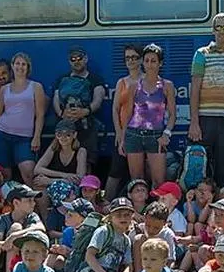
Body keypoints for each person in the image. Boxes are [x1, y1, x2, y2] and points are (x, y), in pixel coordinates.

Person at [188, 13, 224, 186]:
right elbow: (195, 90)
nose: (222, 31)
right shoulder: (201, 54)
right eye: (218, 27)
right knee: (200, 169)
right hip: (204, 119)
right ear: (213, 30)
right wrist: (194, 123)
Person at [119, 43, 177, 185]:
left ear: (160, 63)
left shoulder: (167, 85)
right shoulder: (134, 86)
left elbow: (173, 115)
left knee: (159, 182)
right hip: (134, 134)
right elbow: (128, 114)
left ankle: (159, 208)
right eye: (146, 61)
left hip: (156, 136)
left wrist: (166, 134)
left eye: (153, 61)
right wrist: (122, 138)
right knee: (137, 181)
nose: (149, 65)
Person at [0, 52, 46, 186]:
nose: (20, 67)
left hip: (25, 138)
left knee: (28, 173)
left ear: (28, 67)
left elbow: (40, 114)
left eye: (23, 64)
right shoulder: (4, 89)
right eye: (17, 64)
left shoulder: (36, 87)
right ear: (12, 67)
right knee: (4, 175)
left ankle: (35, 204)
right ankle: (8, 205)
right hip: (2, 134)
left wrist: (36, 136)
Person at [52, 44, 108, 164]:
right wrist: (61, 113)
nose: (76, 61)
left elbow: (98, 99)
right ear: (69, 61)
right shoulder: (62, 79)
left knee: (87, 161)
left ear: (86, 59)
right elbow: (56, 98)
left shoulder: (96, 79)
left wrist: (85, 111)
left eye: (80, 58)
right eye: (73, 59)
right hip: (65, 129)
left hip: (87, 127)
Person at [107, 44, 144, 199]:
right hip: (123, 134)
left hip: (142, 134)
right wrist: (119, 132)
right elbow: (115, 109)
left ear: (141, 60)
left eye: (134, 57)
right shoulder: (121, 82)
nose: (130, 61)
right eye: (127, 58)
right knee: (115, 171)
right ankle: (106, 202)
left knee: (140, 174)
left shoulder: (147, 81)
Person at [33, 119, 87, 188]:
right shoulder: (53, 148)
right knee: (38, 187)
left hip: (70, 188)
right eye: (59, 134)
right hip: (53, 186)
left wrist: (50, 181)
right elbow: (37, 169)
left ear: (74, 135)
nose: (63, 137)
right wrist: (64, 175)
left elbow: (80, 180)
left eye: (67, 134)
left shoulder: (81, 151)